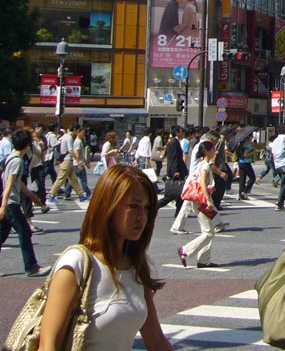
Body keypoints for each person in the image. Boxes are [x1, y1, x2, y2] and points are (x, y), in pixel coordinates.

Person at [39, 164, 173, 350]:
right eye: (133, 206)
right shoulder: (76, 263)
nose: (142, 216)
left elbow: (156, 339)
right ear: (108, 206)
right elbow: (48, 345)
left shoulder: (136, 265)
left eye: (147, 207)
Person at [1, 130, 49, 277]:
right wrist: (3, 205)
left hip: (9, 202)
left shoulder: (10, 158)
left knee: (2, 234)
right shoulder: (17, 161)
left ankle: (32, 266)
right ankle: (31, 267)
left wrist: (31, 196)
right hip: (11, 203)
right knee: (25, 232)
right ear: (27, 146)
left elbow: (18, 183)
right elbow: (9, 184)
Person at [176, 140, 220, 269]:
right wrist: (208, 199)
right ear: (207, 151)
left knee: (207, 230)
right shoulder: (205, 165)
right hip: (202, 201)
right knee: (208, 233)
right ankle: (185, 250)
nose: (214, 152)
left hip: (200, 200)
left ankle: (204, 260)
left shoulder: (203, 164)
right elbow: (202, 183)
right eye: (213, 149)